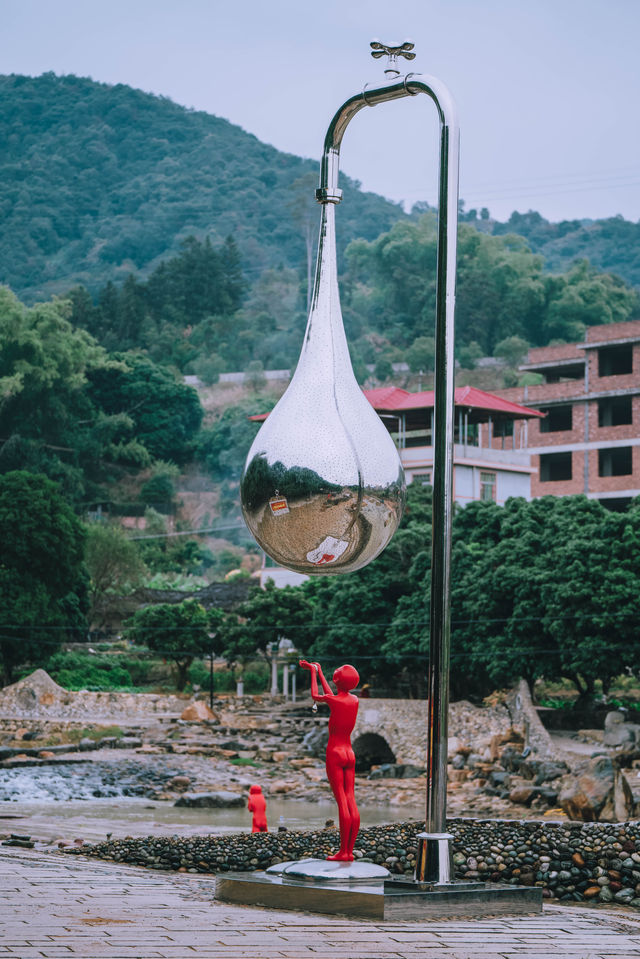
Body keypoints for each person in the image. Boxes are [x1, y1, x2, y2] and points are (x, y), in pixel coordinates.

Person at [299, 659, 360, 861]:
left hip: (335, 752)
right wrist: (320, 670)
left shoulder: (336, 700)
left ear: (338, 680)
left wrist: (312, 673)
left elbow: (317, 696)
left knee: (342, 802)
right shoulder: (353, 700)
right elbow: (331, 695)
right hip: (350, 752)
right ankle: (349, 851)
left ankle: (343, 852)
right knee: (351, 800)